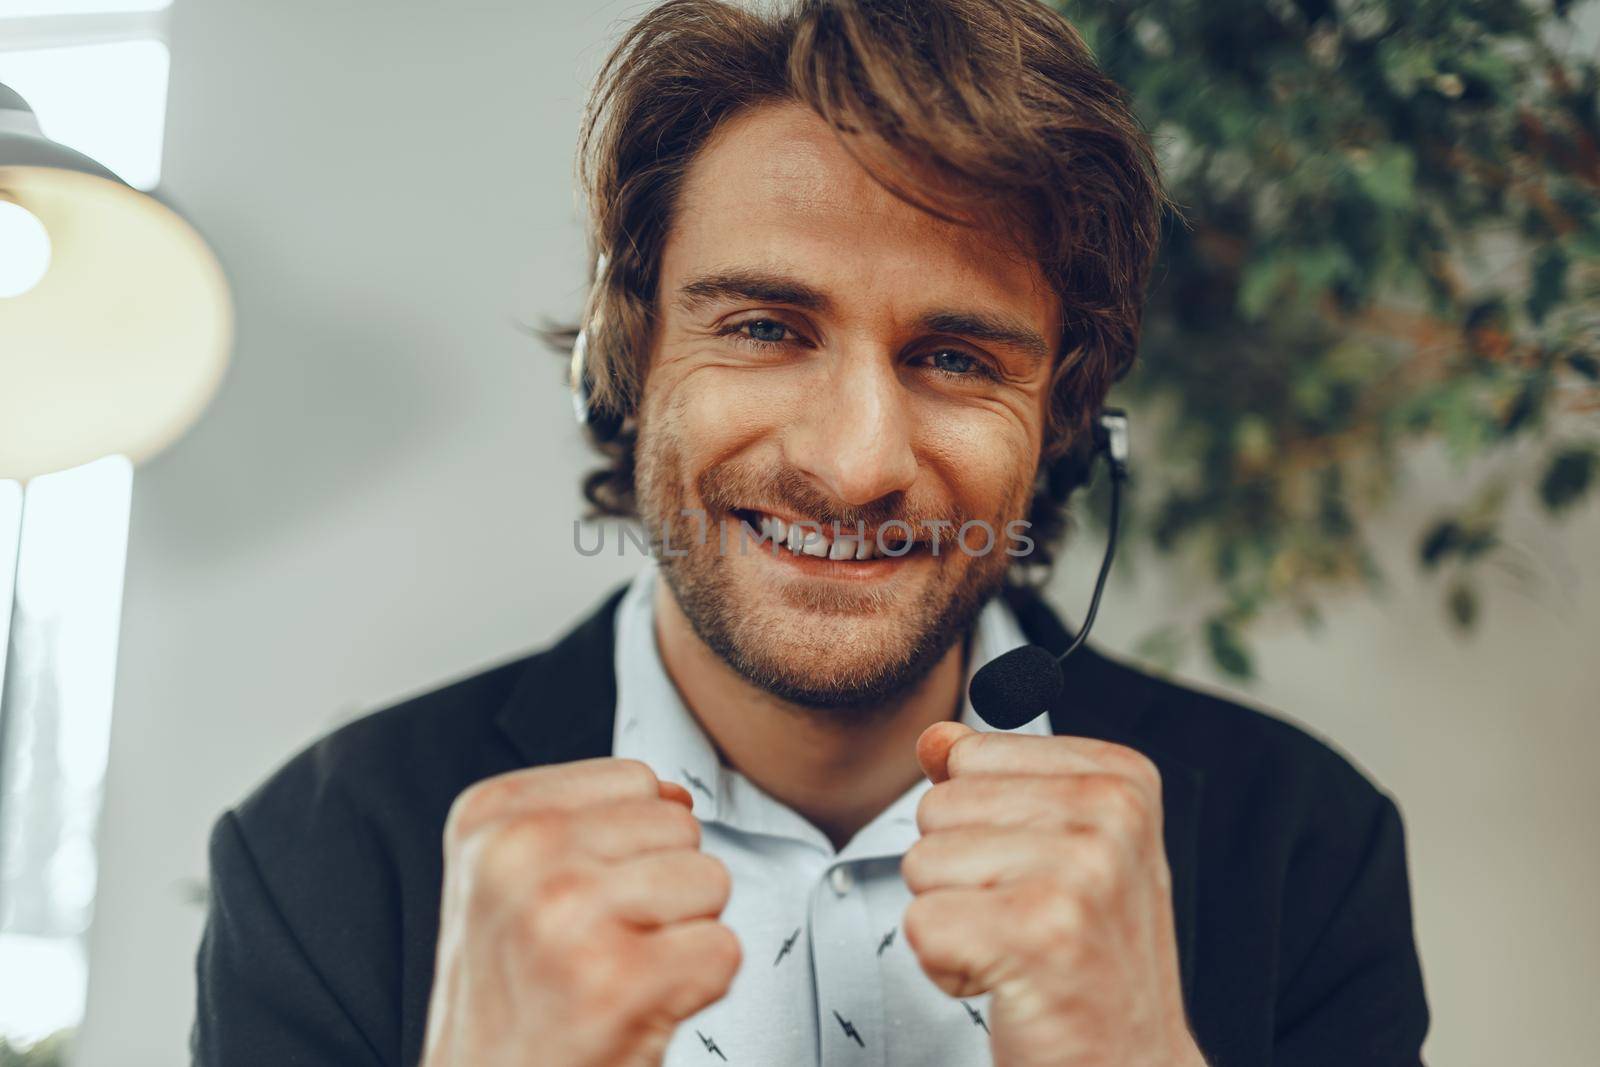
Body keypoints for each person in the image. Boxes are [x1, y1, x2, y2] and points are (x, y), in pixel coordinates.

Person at [192, 1, 1430, 1065]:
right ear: (621, 366)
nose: (851, 464)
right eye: (764, 328)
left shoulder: (1303, 844)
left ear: (1062, 422)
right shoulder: (321, 860)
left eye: (954, 358)